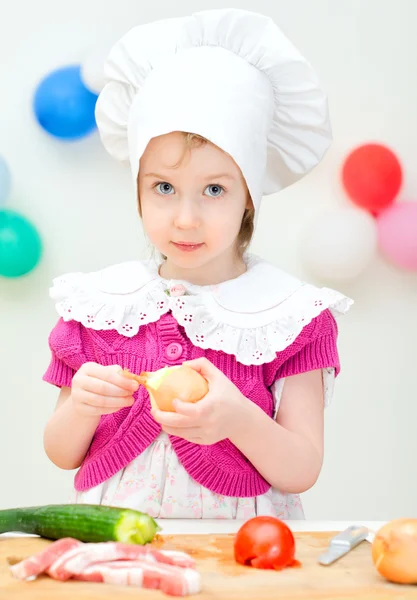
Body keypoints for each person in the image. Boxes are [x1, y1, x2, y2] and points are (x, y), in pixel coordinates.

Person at [43, 8, 352, 519]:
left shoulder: (294, 317)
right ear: (138, 189)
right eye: (164, 187)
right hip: (119, 548)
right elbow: (61, 452)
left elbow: (302, 468)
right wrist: (80, 406)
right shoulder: (98, 307)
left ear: (249, 196)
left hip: (241, 550)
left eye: (214, 189)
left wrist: (239, 420)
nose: (185, 219)